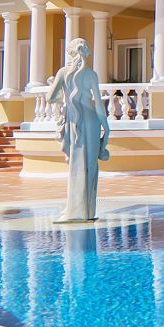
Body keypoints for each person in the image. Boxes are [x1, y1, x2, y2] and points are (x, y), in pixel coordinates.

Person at [48, 37, 110, 220]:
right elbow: (99, 104)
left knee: (76, 164)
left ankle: (75, 210)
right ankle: (88, 211)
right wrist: (106, 127)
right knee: (91, 165)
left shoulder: (62, 73)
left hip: (74, 121)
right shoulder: (91, 74)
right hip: (91, 120)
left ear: (70, 53)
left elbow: (50, 98)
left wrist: (64, 97)